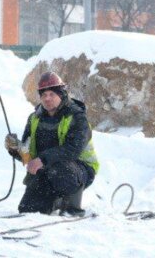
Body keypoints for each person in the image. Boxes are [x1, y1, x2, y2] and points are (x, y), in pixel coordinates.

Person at [5, 71, 99, 215]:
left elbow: (72, 150)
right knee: (27, 210)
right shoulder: (34, 119)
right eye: (44, 95)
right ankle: (54, 202)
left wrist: (42, 160)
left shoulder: (77, 116)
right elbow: (28, 155)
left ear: (61, 94)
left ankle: (71, 207)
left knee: (60, 168)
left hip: (78, 170)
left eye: (52, 94)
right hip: (46, 170)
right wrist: (15, 148)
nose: (47, 98)